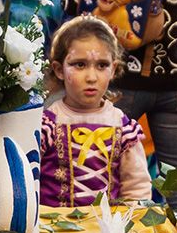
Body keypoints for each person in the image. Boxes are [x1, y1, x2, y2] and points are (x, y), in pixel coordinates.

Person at [38, 15, 152, 209]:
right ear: (59, 70)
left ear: (114, 69)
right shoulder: (47, 124)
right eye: (80, 65)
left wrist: (129, 224)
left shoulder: (122, 127)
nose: (91, 77)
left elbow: (137, 188)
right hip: (54, 232)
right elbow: (28, 182)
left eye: (102, 65)